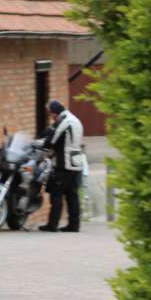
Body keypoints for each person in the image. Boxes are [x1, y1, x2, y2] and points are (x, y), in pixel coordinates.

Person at [38, 99, 84, 232]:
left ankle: (52, 225)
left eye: (50, 113)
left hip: (64, 163)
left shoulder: (63, 121)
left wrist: (42, 143)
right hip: (76, 162)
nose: (50, 116)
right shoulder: (74, 118)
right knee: (72, 195)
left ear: (54, 112)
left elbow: (51, 141)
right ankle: (74, 225)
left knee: (56, 193)